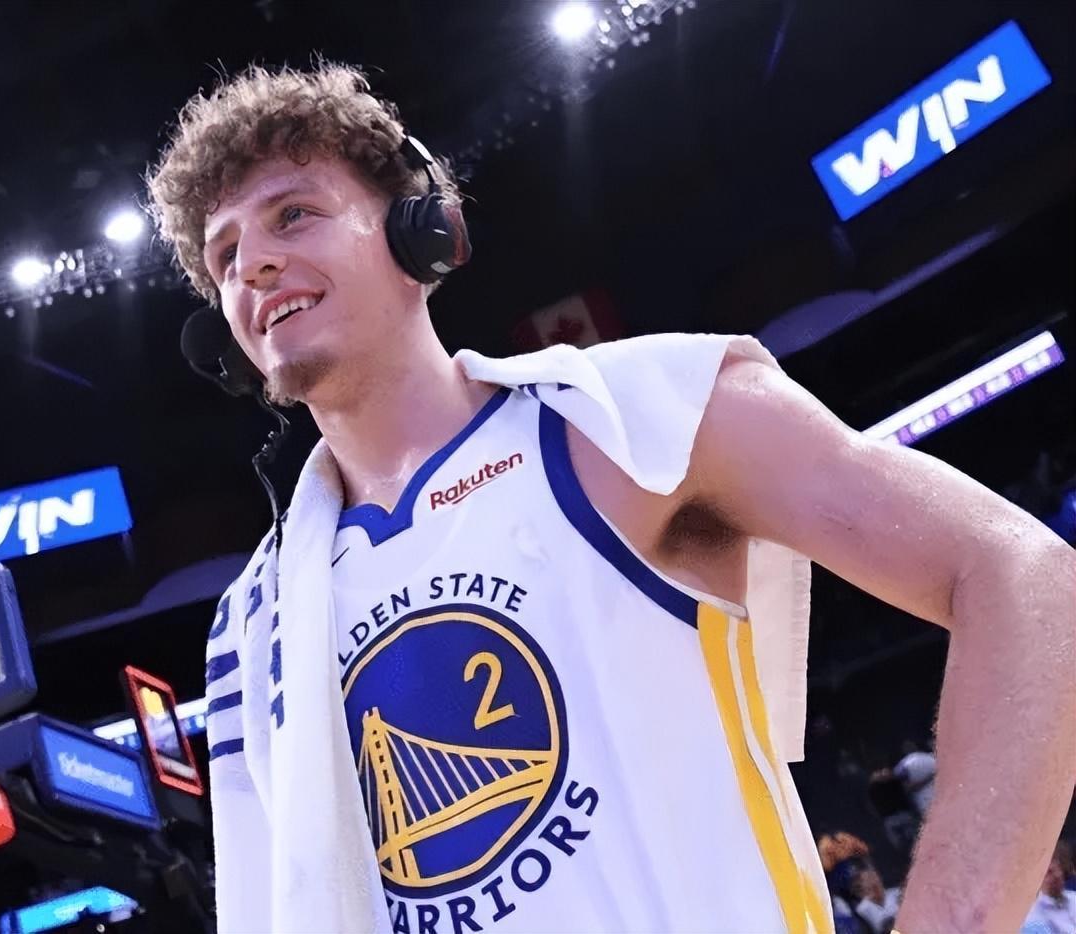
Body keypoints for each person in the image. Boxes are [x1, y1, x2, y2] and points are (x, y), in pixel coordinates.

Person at [146, 62, 1076, 933]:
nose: (253, 264)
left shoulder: (632, 420)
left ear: (417, 230)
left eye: (294, 214)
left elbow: (1022, 574)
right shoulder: (252, 626)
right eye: (225, 256)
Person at [1022, 844, 1076, 933]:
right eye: (1049, 872)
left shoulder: (1073, 897)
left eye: (1058, 868)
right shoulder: (1033, 918)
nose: (1057, 875)